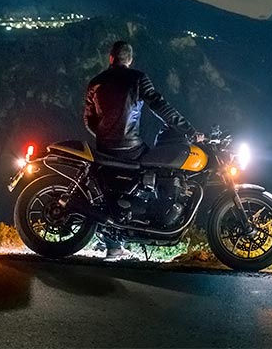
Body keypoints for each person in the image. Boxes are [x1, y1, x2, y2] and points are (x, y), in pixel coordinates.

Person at [83, 40, 202, 259]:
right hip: (130, 147)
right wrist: (189, 130)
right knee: (159, 170)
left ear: (111, 58)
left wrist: (105, 137)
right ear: (129, 59)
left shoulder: (96, 82)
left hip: (103, 148)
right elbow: (160, 106)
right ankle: (150, 220)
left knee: (110, 191)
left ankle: (114, 244)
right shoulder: (137, 79)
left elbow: (88, 121)